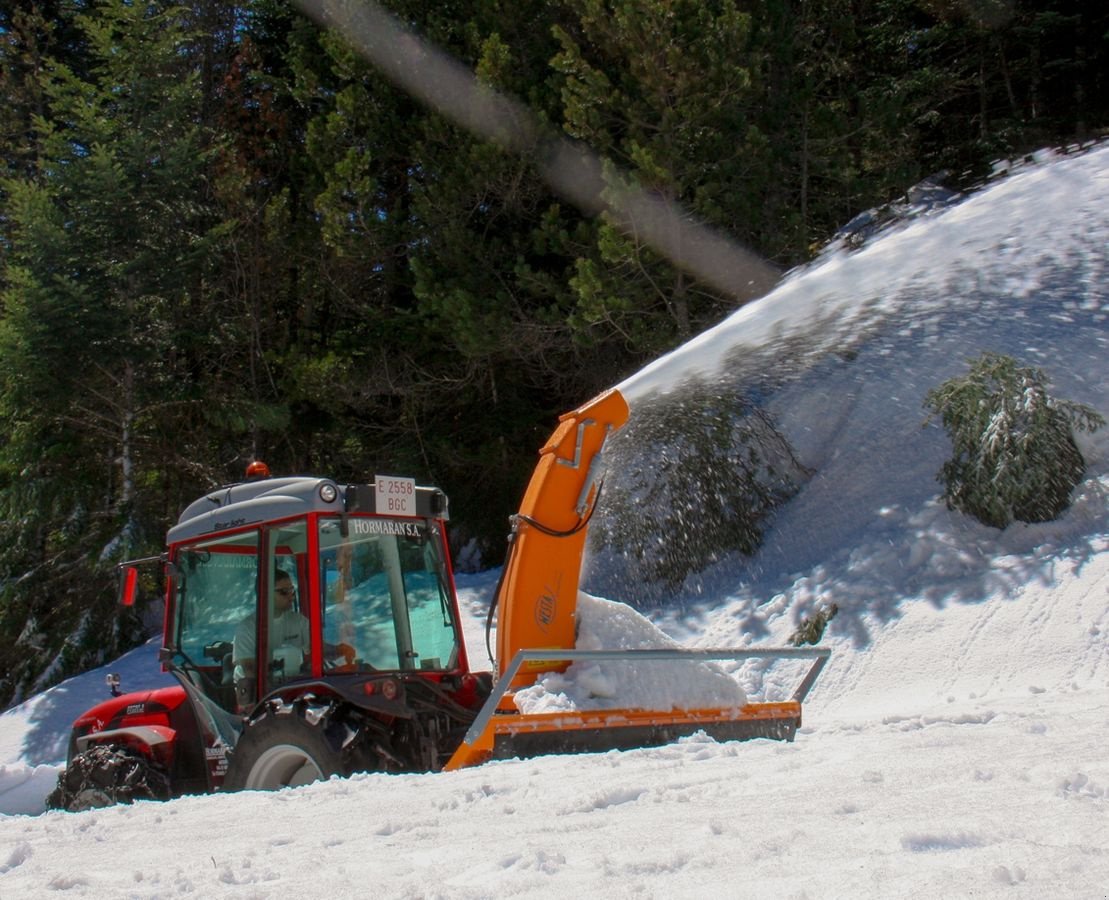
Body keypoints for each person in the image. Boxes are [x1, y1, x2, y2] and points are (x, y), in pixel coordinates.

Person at [232, 569, 310, 707]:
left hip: (292, 689)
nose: (291, 597)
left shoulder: (298, 621)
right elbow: (251, 671)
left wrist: (339, 650)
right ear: (266, 594)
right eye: (284, 592)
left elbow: (317, 649)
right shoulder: (248, 628)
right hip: (254, 696)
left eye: (292, 590)